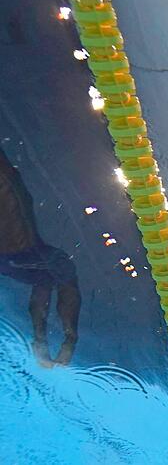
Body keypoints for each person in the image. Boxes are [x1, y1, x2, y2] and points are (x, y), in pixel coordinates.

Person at [0, 146, 80, 367]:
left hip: (19, 253)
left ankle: (49, 341)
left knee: (50, 273)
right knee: (60, 270)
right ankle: (59, 340)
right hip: (16, 252)